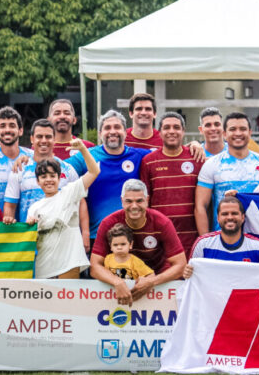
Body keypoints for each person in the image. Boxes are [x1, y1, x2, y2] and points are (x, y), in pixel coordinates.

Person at [90, 179, 186, 305]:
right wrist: (116, 281)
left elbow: (181, 265)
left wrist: (152, 281)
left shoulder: (162, 223)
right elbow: (94, 266)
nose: (134, 206)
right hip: (120, 285)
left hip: (158, 284)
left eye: (139, 201)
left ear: (147, 200)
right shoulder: (108, 223)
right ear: (122, 201)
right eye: (129, 201)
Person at [66, 110, 151, 248]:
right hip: (97, 236)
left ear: (125, 132)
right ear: (100, 133)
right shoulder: (87, 156)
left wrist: (189, 149)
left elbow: (164, 155)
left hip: (131, 237)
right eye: (107, 128)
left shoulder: (139, 155)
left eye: (117, 127)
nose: (112, 131)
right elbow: (58, 168)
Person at [27, 139, 100, 278]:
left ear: (59, 178)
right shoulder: (34, 208)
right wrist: (30, 224)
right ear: (37, 181)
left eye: (52, 176)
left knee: (69, 293)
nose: (48, 180)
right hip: (44, 266)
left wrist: (83, 149)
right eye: (43, 176)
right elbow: (31, 240)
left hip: (69, 263)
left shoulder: (70, 192)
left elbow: (94, 171)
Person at [195, 112, 259, 234]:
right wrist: (205, 240)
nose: (238, 133)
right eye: (233, 129)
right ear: (224, 134)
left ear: (250, 132)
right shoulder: (212, 164)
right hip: (222, 238)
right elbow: (200, 206)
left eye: (243, 129)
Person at [139, 112, 203, 253]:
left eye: (176, 127)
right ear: (160, 133)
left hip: (191, 237)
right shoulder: (148, 161)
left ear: (183, 131)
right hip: (160, 237)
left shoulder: (196, 158)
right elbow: (145, 201)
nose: (172, 131)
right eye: (167, 127)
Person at [183, 196, 259, 278]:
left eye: (234, 213)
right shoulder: (203, 244)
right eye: (225, 214)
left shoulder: (258, 247)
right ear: (218, 218)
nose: (230, 217)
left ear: (243, 217)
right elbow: (191, 275)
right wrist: (187, 273)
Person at [5, 119, 79, 225]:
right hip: (29, 232)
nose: (44, 141)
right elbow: (10, 205)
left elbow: (80, 202)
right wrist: (9, 229)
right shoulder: (19, 169)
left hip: (60, 232)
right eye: (39, 136)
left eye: (48, 137)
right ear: (32, 139)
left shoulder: (68, 169)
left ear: (54, 139)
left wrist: (85, 232)